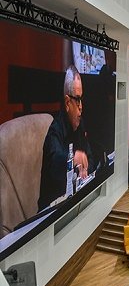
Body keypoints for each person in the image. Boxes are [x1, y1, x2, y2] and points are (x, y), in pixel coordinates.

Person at [39, 65, 93, 211]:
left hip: (74, 206)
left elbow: (89, 159)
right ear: (68, 102)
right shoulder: (54, 131)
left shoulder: (80, 126)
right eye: (77, 100)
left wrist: (85, 171)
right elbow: (56, 159)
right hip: (51, 215)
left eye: (82, 99)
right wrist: (73, 159)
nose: (81, 106)